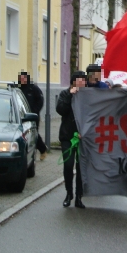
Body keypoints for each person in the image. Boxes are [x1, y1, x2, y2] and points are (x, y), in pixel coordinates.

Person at [56, 70, 87, 208]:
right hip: (67, 137)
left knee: (81, 168)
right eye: (79, 80)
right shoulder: (65, 94)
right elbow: (60, 109)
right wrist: (70, 94)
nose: (81, 83)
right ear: (73, 82)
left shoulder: (88, 96)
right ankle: (69, 193)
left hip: (82, 138)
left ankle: (79, 196)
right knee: (68, 165)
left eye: (83, 80)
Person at [17, 71, 48, 160]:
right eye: (21, 78)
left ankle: (42, 149)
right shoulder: (18, 88)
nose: (22, 80)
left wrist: (34, 110)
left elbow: (40, 101)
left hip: (32, 116)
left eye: (23, 78)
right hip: (21, 116)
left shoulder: (33, 88)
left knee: (34, 134)